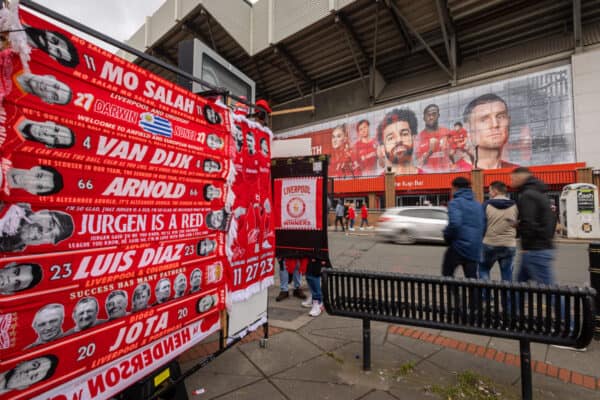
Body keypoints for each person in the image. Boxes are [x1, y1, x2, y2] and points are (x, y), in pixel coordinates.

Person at [511, 167, 556, 284]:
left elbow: (528, 223)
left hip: (535, 249)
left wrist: (526, 247)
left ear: (520, 177)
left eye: (512, 178)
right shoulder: (539, 193)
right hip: (540, 247)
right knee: (519, 286)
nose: (511, 182)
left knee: (550, 290)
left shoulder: (527, 195)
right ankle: (512, 303)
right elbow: (544, 219)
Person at [442, 177, 484, 278]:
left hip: (458, 247)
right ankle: (475, 294)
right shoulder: (478, 205)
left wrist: (447, 236)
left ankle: (455, 294)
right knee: (471, 278)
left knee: (447, 273)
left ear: (455, 188)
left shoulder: (455, 203)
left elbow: (455, 223)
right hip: (474, 247)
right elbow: (483, 225)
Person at [463, 93, 518, 169]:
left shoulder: (517, 171)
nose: (495, 124)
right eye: (484, 119)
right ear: (468, 128)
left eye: (501, 117)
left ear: (509, 121)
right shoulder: (453, 171)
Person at [479, 181, 518, 282]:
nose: (489, 193)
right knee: (507, 273)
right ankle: (508, 297)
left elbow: (482, 225)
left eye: (490, 191)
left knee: (483, 269)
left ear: (495, 191)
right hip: (509, 244)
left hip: (490, 243)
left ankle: (485, 295)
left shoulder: (486, 205)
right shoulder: (514, 205)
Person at [0, 203, 73, 252]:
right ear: (43, 212)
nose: (45, 233)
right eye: (50, 224)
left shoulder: (14, 249)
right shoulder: (14, 203)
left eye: (51, 236)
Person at [376, 108, 420, 175]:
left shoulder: (429, 180)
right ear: (382, 149)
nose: (399, 140)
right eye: (391, 138)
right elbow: (389, 182)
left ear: (414, 139)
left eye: (404, 134)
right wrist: (390, 175)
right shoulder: (377, 183)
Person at [415, 104, 451, 172]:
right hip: (427, 177)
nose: (431, 117)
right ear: (424, 118)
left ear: (438, 115)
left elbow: (454, 158)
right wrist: (430, 151)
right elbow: (418, 165)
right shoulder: (419, 138)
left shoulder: (447, 132)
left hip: (445, 175)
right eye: (428, 115)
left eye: (434, 114)